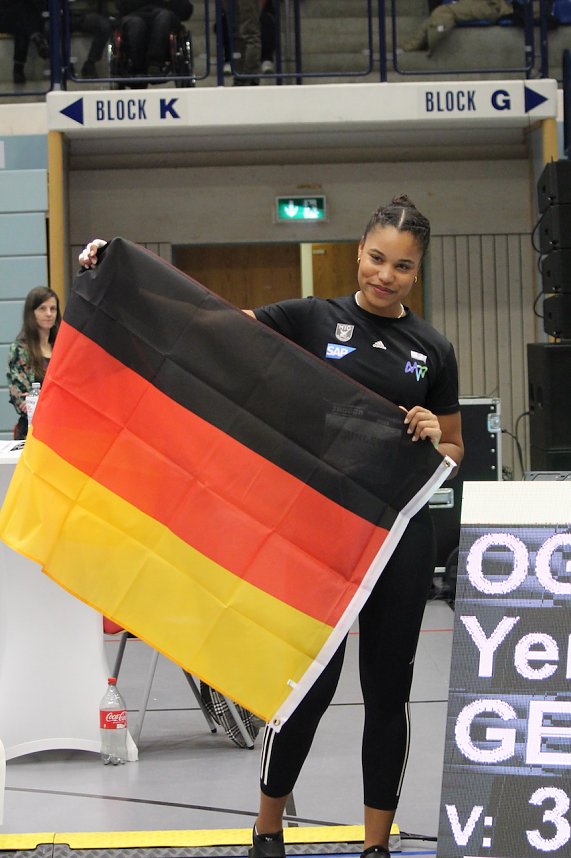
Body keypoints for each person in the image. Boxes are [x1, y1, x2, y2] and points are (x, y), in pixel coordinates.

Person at [78, 194, 464, 858]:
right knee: (306, 690)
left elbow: (454, 453)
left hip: (399, 542)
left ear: (416, 270)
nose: (384, 275)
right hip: (320, 537)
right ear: (357, 252)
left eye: (401, 266)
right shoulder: (313, 319)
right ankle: (265, 829)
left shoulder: (432, 350)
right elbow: (212, 322)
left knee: (386, 696)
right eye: (376, 258)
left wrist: (435, 436)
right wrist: (122, 269)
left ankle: (376, 846)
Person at [7, 286, 61, 440]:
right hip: (33, 432)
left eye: (53, 309)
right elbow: (22, 400)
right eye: (42, 309)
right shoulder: (19, 350)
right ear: (32, 313)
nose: (49, 314)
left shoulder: (62, 347)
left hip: (62, 428)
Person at [402, 0, 513, 55]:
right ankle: (409, 47)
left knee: (443, 12)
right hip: (487, 4)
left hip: (491, 5)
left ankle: (426, 41)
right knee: (437, 16)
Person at [116, 0, 193, 79]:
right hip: (134, 14)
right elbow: (121, 6)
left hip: (164, 13)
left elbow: (186, 11)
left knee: (164, 17)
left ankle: (155, 64)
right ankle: (138, 68)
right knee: (136, 24)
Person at [0, 0, 49, 85]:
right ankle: (36, 37)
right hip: (8, 17)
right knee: (21, 12)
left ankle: (18, 68)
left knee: (21, 29)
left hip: (29, 18)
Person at [67, 0, 116, 79]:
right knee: (49, 27)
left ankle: (90, 63)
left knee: (104, 26)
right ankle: (63, 64)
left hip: (87, 15)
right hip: (62, 14)